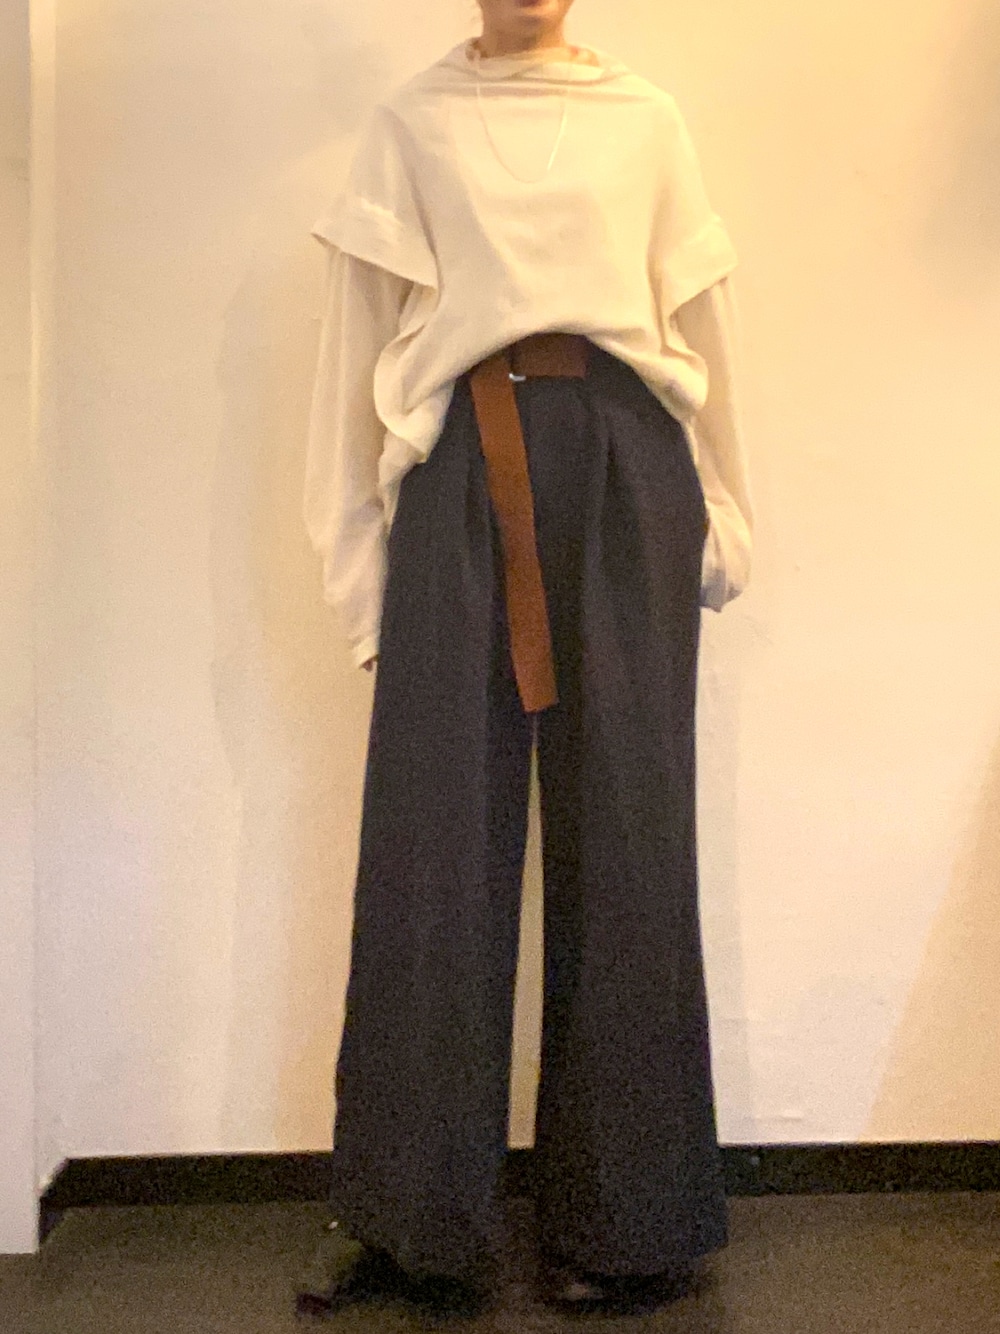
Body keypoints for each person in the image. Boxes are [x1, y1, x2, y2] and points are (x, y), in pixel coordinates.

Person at [298, 0, 752, 1316]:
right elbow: (351, 359)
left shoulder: (643, 122)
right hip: (458, 472)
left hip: (625, 468)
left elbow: (702, 324)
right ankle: (409, 1220)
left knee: (631, 835)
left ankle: (631, 1220)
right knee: (432, 842)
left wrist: (727, 513)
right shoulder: (411, 126)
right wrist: (360, 578)